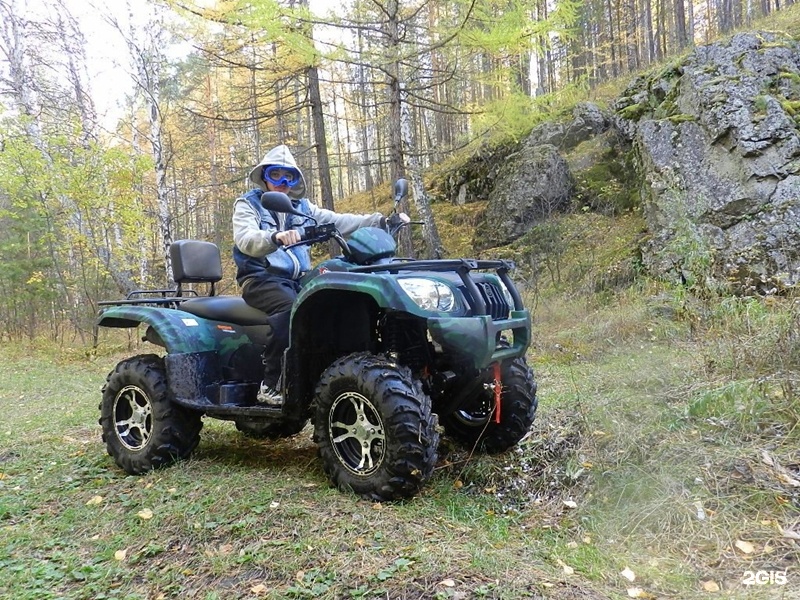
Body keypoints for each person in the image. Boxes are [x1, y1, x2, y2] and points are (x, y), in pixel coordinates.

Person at [232, 144, 408, 406]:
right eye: (275, 175)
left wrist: (380, 221)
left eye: (288, 176)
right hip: (261, 278)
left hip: (298, 279)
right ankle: (272, 384)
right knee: (290, 311)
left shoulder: (302, 208)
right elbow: (246, 239)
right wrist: (274, 237)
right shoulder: (249, 205)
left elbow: (339, 221)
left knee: (336, 302)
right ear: (264, 177)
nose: (282, 182)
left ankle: (338, 374)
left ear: (295, 180)